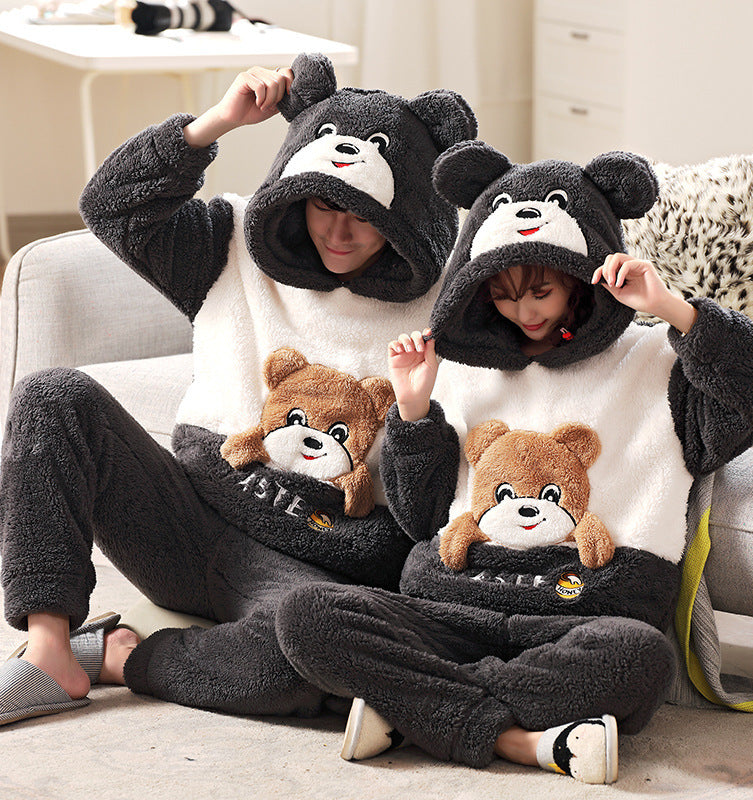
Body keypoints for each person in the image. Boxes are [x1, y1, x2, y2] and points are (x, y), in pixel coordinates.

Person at [274, 142, 753, 784]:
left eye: (542, 291)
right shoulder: (460, 369)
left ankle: (416, 711)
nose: (524, 313)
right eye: (501, 294)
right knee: (308, 615)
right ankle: (526, 742)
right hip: (451, 603)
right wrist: (412, 410)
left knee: (637, 658)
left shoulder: (659, 362)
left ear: (582, 273)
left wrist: (671, 307)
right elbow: (420, 518)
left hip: (582, 613)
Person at [0, 53, 477, 725]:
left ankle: (117, 657)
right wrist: (215, 124)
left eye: (364, 216)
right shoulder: (232, 243)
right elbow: (112, 206)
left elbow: (435, 491)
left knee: (296, 659)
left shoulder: (449, 307)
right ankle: (50, 647)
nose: (338, 232)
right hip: (184, 523)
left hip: (311, 567)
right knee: (52, 397)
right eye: (322, 204)